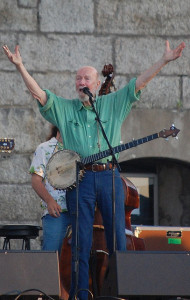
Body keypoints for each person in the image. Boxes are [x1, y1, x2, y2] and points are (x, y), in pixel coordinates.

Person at [3, 40, 185, 300]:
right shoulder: (66, 109)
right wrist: (20, 67)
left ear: (97, 84)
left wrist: (164, 61)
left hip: (110, 177)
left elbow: (139, 83)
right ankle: (81, 295)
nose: (80, 82)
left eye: (86, 78)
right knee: (80, 244)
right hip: (82, 180)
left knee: (117, 244)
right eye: (77, 78)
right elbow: (40, 95)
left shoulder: (112, 103)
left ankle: (119, 294)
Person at [29, 125, 71, 299]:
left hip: (79, 210)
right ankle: (49, 295)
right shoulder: (44, 148)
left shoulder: (80, 147)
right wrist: (49, 201)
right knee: (51, 257)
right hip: (56, 212)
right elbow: (36, 180)